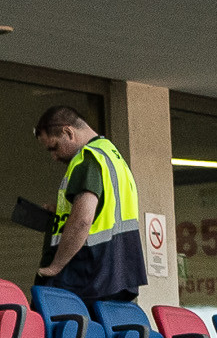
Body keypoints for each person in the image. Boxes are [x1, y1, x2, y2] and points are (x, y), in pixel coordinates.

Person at [33, 105, 146, 302]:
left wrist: (55, 267)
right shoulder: (112, 156)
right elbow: (105, 213)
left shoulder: (88, 159)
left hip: (86, 273)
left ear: (68, 132)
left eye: (54, 147)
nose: (54, 157)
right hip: (119, 273)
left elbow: (83, 220)